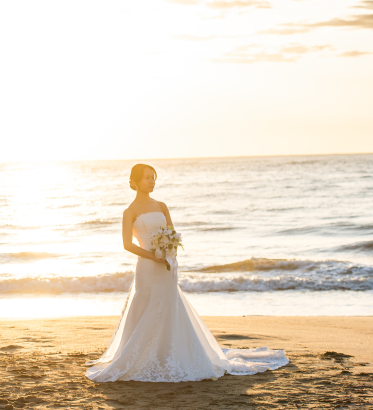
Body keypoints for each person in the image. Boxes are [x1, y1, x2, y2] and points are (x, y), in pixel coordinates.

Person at [85, 163, 288, 382]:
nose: (151, 181)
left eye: (153, 177)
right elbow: (127, 244)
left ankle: (168, 352)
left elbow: (171, 233)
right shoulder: (130, 211)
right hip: (147, 265)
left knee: (169, 305)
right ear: (134, 182)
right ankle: (140, 354)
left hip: (167, 263)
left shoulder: (162, 205)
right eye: (146, 178)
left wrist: (169, 252)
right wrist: (153, 255)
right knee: (146, 306)